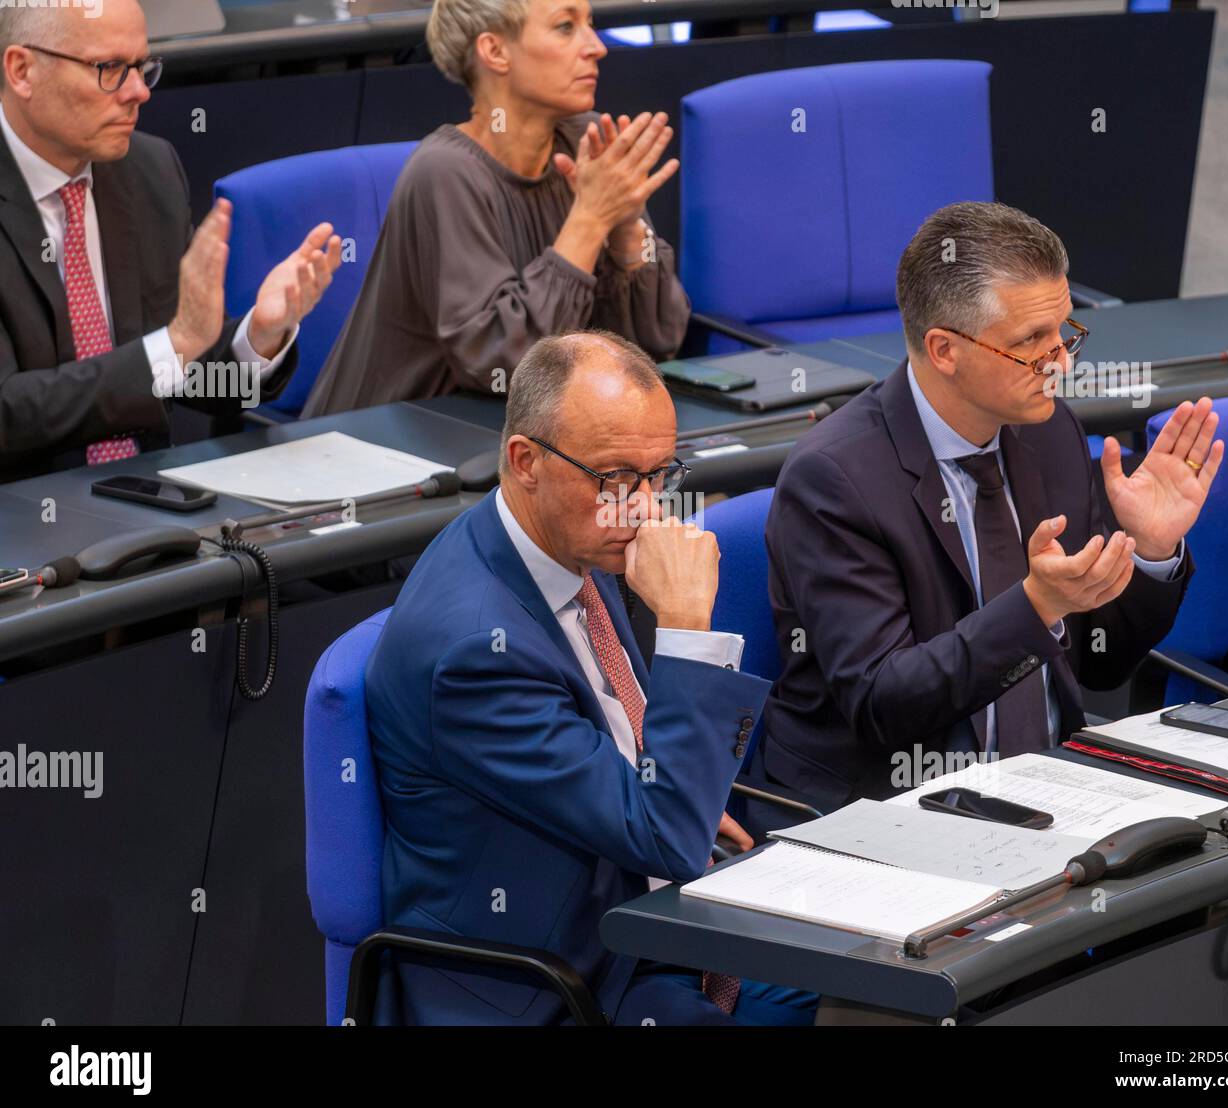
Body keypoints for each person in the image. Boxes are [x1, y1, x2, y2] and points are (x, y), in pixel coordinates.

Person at [365, 330, 816, 1025]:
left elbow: (642, 785)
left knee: (891, 976)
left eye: (660, 472)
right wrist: (689, 629)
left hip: (642, 910)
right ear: (525, 461)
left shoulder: (565, 542)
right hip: (562, 983)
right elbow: (664, 835)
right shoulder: (472, 651)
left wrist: (677, 800)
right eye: (614, 477)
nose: (643, 507)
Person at [762, 202, 1224, 806]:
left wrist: (1153, 550)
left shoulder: (1048, 431)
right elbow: (883, 704)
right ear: (945, 350)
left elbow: (1098, 664)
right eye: (1031, 342)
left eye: (1064, 333)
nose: (1059, 362)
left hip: (1051, 787)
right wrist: (1034, 607)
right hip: (896, 803)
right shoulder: (835, 479)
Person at [0, 0, 343, 483]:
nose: (139, 92)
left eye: (142, 67)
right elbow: (7, 415)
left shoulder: (147, 170)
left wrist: (258, 338)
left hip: (143, 500)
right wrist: (176, 346)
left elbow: (188, 378)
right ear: (22, 70)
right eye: (110, 69)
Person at [301, 0, 690, 417]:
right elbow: (504, 366)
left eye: (590, 25)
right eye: (565, 27)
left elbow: (658, 339)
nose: (597, 46)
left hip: (537, 433)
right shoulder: (444, 173)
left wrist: (626, 224)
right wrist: (591, 219)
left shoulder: (587, 141)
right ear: (495, 52)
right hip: (391, 444)